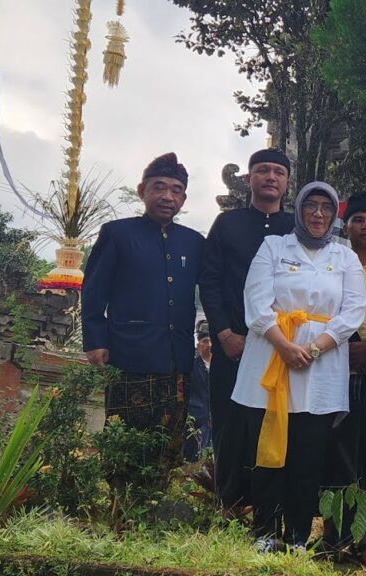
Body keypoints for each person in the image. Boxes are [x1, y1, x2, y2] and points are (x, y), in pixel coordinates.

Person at [228, 181, 366, 552]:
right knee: (268, 453)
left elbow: (352, 311)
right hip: (271, 357)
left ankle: (299, 536)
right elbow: (256, 301)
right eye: (311, 206)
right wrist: (285, 346)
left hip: (320, 368)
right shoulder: (274, 246)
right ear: (299, 209)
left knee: (308, 455)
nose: (318, 214)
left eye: (326, 207)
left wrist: (313, 349)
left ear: (334, 213)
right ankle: (265, 532)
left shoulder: (346, 256)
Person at [82, 152, 204, 492]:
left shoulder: (193, 242)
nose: (168, 196)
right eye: (159, 187)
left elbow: (210, 287)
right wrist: (95, 340)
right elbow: (94, 290)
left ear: (183, 197)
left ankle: (154, 505)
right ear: (142, 190)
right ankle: (120, 505)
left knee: (168, 442)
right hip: (129, 354)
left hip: (176, 358)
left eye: (176, 190)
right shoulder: (118, 234)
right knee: (125, 438)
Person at [199, 148, 296, 511]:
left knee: (277, 421)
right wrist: (223, 333)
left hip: (281, 345)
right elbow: (209, 279)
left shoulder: (295, 228)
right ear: (249, 179)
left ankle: (270, 507)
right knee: (229, 421)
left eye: (278, 172)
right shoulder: (228, 223)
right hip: (234, 342)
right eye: (263, 170)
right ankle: (229, 502)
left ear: (287, 182)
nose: (271, 177)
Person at [320, 191, 366, 561]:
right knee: (335, 454)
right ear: (345, 226)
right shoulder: (331, 261)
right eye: (358, 220)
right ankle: (332, 534)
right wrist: (344, 347)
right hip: (333, 366)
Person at [185, 323, 213, 462]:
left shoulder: (221, 366)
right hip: (197, 419)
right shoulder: (192, 367)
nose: (209, 345)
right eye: (205, 341)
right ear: (198, 345)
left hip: (217, 419)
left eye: (211, 341)